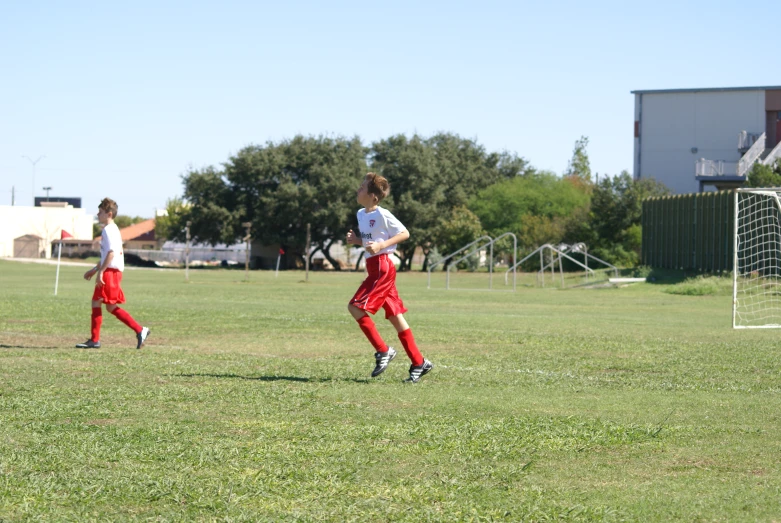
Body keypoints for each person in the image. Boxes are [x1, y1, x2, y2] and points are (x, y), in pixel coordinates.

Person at [346, 173, 433, 383]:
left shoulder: (383, 214)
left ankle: (383, 350)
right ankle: (419, 362)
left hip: (383, 267)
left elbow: (404, 233)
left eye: (362, 187)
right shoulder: (360, 213)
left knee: (355, 307)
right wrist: (357, 240)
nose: (358, 189)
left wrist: (382, 246)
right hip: (374, 267)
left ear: (374, 197)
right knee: (395, 317)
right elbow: (371, 242)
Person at [75, 197, 150, 349]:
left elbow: (111, 253)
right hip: (110, 271)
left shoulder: (108, 230)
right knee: (108, 306)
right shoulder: (112, 229)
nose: (98, 214)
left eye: (100, 212)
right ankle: (139, 330)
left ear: (109, 214)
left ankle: (97, 340)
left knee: (98, 302)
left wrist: (101, 272)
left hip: (110, 272)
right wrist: (95, 269)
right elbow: (106, 256)